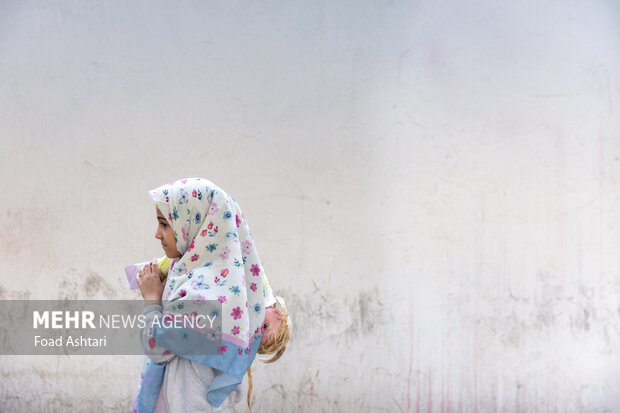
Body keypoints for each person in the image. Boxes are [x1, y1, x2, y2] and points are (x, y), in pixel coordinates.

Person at [131, 178, 290, 413]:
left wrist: (152, 300)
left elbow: (158, 349)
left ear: (194, 223)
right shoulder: (218, 281)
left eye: (165, 224)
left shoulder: (202, 292)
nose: (157, 233)